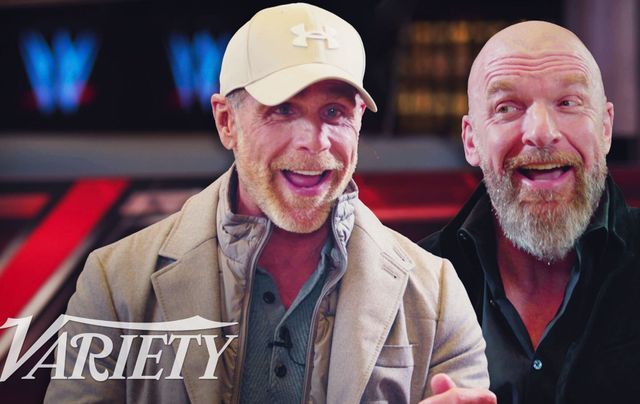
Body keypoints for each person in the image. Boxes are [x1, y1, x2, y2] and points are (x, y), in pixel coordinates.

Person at [45, 4, 495, 403]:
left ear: (359, 120)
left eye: (334, 112)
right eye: (283, 110)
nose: (314, 141)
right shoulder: (115, 282)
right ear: (226, 122)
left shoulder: (436, 292)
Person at [420, 20, 640, 403]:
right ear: (471, 140)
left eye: (568, 103)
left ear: (605, 127)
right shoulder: (412, 283)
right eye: (507, 108)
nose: (540, 132)